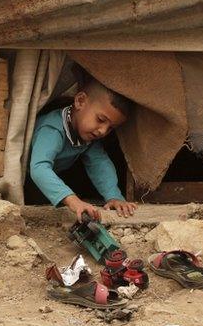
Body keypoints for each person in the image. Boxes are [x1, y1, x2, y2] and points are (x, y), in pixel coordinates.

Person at [29, 77, 137, 222]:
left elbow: (99, 163)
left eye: (111, 128)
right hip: (28, 178)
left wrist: (114, 197)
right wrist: (73, 201)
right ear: (80, 101)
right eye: (100, 119)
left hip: (51, 178)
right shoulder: (52, 129)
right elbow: (39, 168)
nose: (103, 131)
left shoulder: (87, 135)